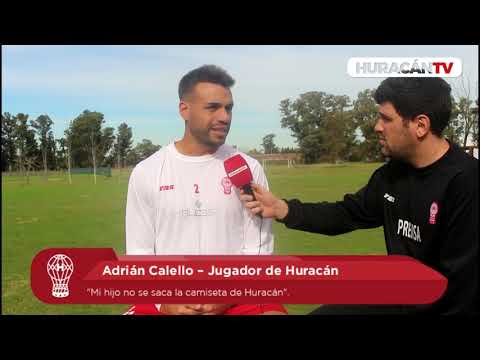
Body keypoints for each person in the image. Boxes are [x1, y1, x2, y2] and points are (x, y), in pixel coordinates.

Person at [240, 77, 478, 315]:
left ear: (421, 125)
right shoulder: (390, 176)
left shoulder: (466, 183)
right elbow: (347, 213)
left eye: (386, 118)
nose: (377, 127)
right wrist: (283, 209)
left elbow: (459, 292)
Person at [124, 64, 287, 315]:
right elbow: (140, 252)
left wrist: (227, 296)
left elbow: (259, 248)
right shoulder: (147, 171)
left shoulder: (248, 168)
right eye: (213, 107)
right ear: (184, 110)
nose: (225, 117)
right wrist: (164, 303)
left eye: (229, 108)